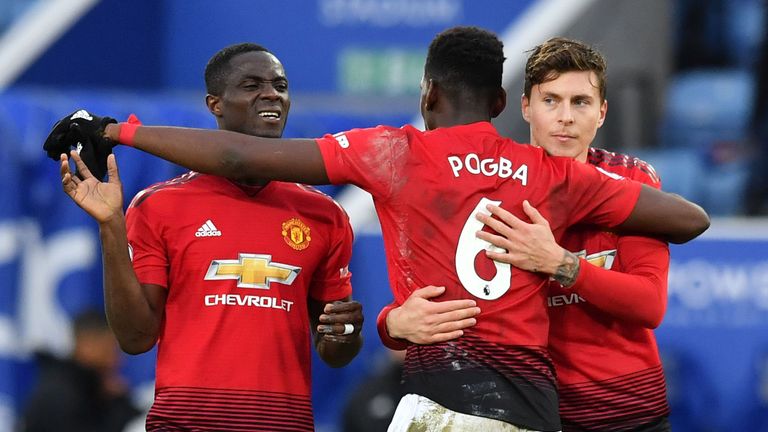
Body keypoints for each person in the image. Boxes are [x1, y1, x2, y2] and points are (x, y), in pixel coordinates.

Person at [45, 26, 709, 431]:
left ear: (426, 96)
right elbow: (689, 219)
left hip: (448, 399)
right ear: (506, 104)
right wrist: (588, 210)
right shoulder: (547, 173)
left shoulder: (394, 152)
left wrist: (116, 130)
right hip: (532, 411)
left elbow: (239, 155)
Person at [52, 43, 363, 431]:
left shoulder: (324, 214)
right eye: (252, 85)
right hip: (185, 422)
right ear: (215, 104)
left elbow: (335, 351)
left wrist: (346, 332)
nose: (271, 94)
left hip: (283, 423)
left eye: (280, 85)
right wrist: (111, 225)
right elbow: (135, 338)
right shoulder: (159, 205)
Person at [383, 37, 674, 431]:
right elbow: (447, 299)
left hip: (627, 414)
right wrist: (393, 324)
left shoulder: (630, 182)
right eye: (550, 100)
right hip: (529, 415)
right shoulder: (490, 182)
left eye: (581, 102)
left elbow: (650, 305)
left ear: (602, 112)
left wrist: (559, 263)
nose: (565, 117)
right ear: (525, 107)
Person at [19, 309, 141, 432]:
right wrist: (117, 404)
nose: (119, 359)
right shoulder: (60, 394)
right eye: (110, 348)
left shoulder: (87, 388)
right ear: (87, 344)